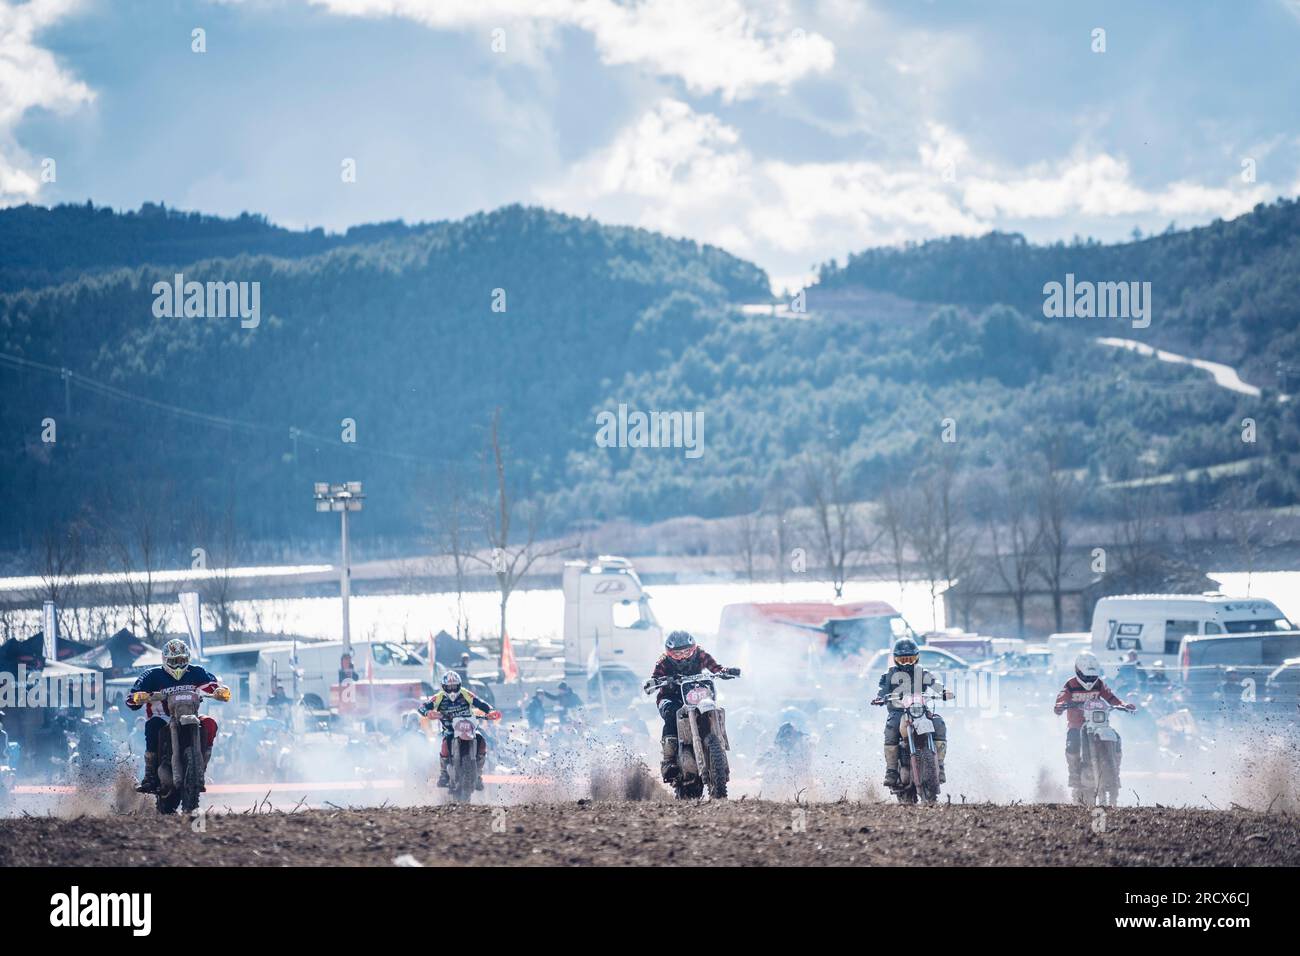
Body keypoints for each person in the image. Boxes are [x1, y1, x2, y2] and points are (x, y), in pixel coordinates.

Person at [125, 639, 228, 794]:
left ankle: (201, 768)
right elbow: (131, 698)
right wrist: (138, 697)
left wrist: (219, 691)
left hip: (190, 715)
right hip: (163, 718)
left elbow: (212, 685)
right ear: (165, 660)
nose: (178, 664)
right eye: (174, 661)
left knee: (210, 723)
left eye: (182, 660)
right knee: (152, 726)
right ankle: (150, 775)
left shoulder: (196, 671)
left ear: (187, 659)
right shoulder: (151, 675)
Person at [643, 631, 739, 783]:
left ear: (693, 649)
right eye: (677, 654)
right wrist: (655, 682)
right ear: (669, 653)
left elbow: (715, 668)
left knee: (711, 708)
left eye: (687, 652)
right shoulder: (663, 662)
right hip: (670, 697)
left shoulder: (701, 654)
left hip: (696, 695)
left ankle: (716, 741)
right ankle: (669, 760)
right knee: (672, 713)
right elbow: (654, 678)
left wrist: (725, 672)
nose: (682, 656)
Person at [873, 637, 954, 788]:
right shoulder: (889, 674)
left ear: (917, 658)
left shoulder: (922, 672)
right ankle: (891, 771)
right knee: (892, 728)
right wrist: (879, 698)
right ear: (896, 660)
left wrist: (944, 691)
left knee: (939, 723)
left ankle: (940, 766)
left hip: (920, 710)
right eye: (903, 660)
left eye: (910, 659)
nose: (907, 663)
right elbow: (882, 689)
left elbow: (935, 683)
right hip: (898, 711)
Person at [1053, 651, 1135, 788]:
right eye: (1086, 676)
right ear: (1078, 671)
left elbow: (1111, 697)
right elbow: (1061, 697)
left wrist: (1123, 705)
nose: (1090, 679)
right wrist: (1060, 705)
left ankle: (1115, 773)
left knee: (1117, 738)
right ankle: (1073, 775)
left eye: (1093, 676)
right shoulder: (1071, 684)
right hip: (1077, 725)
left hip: (1099, 724)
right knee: (1072, 743)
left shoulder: (1099, 684)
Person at [417, 671, 500, 789]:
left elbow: (479, 702)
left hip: (469, 726)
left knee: (481, 739)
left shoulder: (465, 693)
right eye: (449, 687)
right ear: (444, 687)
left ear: (459, 685)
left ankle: (478, 774)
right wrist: (427, 712)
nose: (452, 690)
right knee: (444, 742)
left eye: (454, 686)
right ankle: (444, 774)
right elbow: (422, 707)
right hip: (449, 728)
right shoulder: (439, 697)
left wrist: (490, 711)